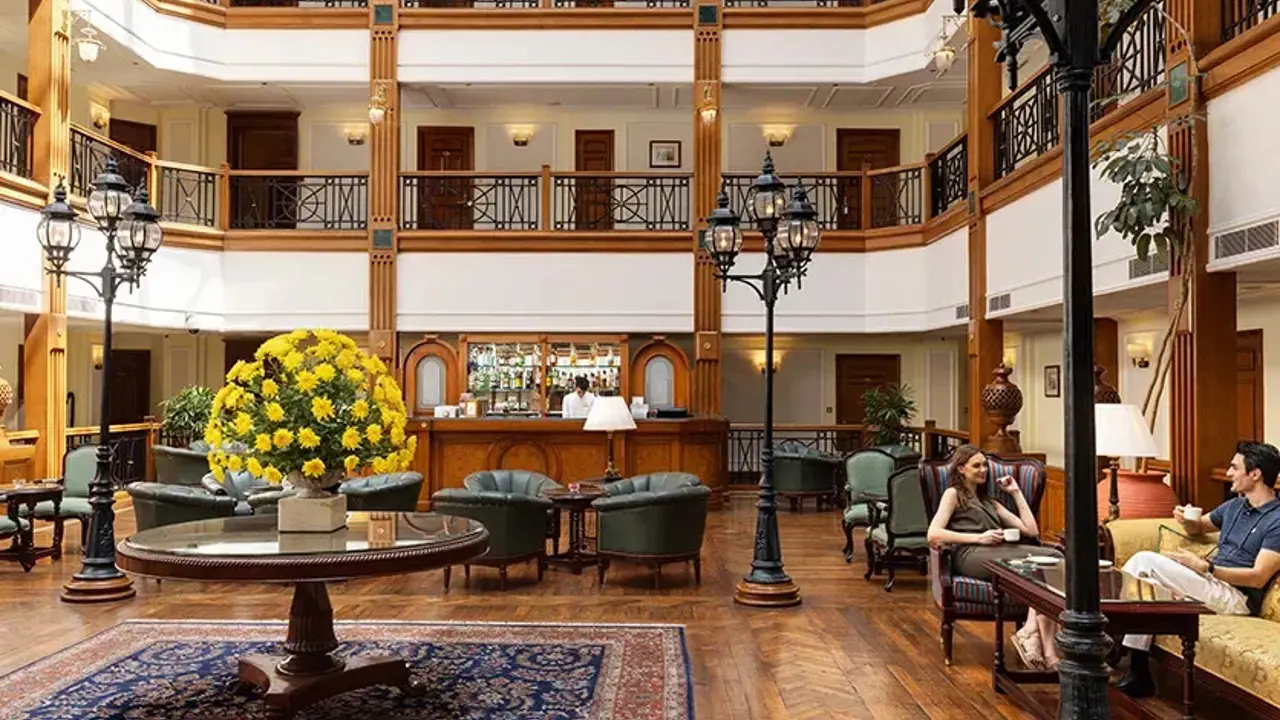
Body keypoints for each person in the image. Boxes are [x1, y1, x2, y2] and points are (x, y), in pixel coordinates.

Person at [1118, 440, 1280, 697]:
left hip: (1237, 596)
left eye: (1234, 467)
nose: (1229, 473)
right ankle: (1138, 669)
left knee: (1144, 562)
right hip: (1209, 583)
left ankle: (1120, 653)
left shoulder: (1276, 520)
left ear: (1255, 473)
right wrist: (1186, 519)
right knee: (1149, 583)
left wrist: (1206, 567)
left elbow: (1258, 578)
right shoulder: (1235, 506)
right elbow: (1201, 526)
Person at [927, 445, 1063, 670]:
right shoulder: (952, 494)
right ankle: (1038, 642)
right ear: (961, 468)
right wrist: (978, 538)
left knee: (1054, 559)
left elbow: (1031, 531)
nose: (983, 470)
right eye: (976, 466)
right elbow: (933, 534)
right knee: (1049, 559)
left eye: (984, 466)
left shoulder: (991, 503)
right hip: (970, 555)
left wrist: (1016, 492)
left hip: (999, 552)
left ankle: (1036, 639)